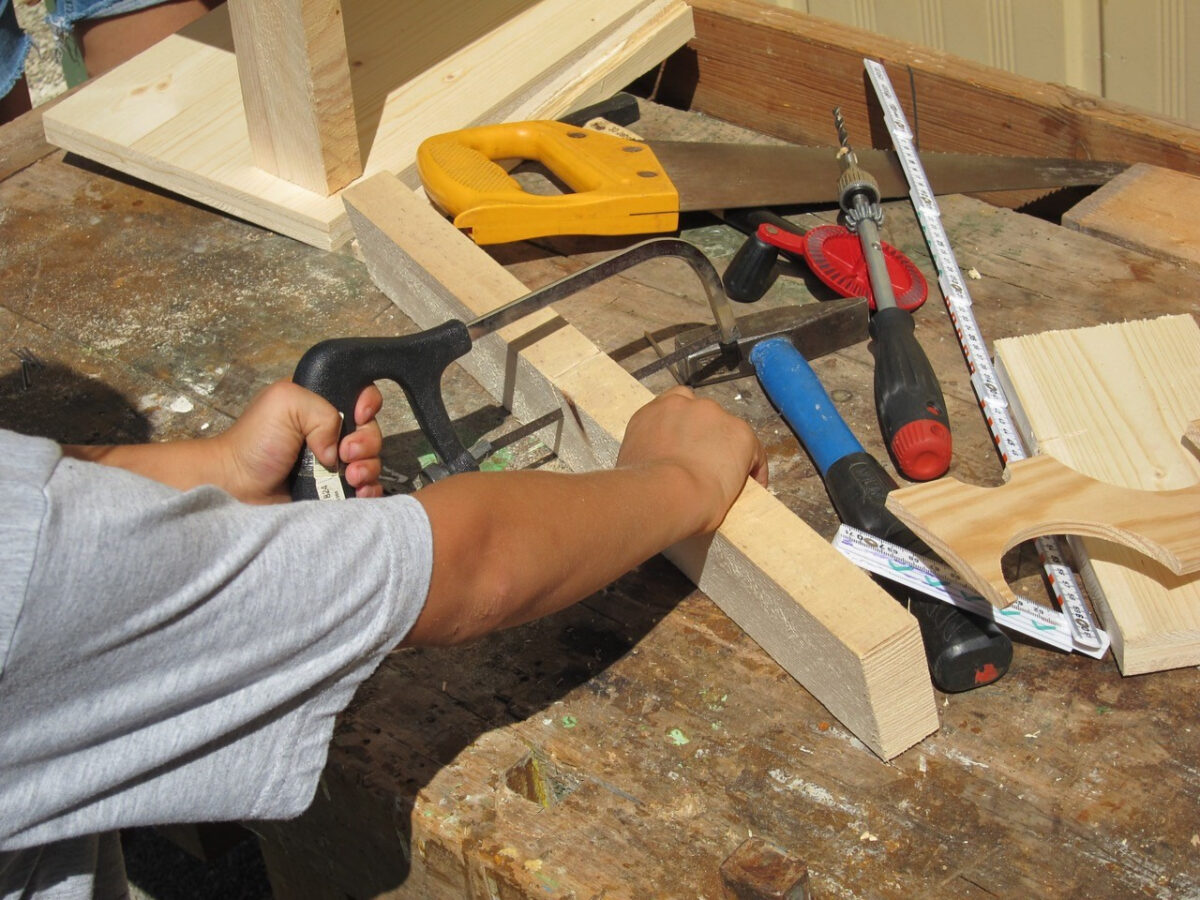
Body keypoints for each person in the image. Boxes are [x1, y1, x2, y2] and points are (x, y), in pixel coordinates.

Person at [0, 376, 767, 897]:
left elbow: (40, 499)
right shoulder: (26, 573)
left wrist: (209, 472)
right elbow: (471, 573)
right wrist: (683, 478)